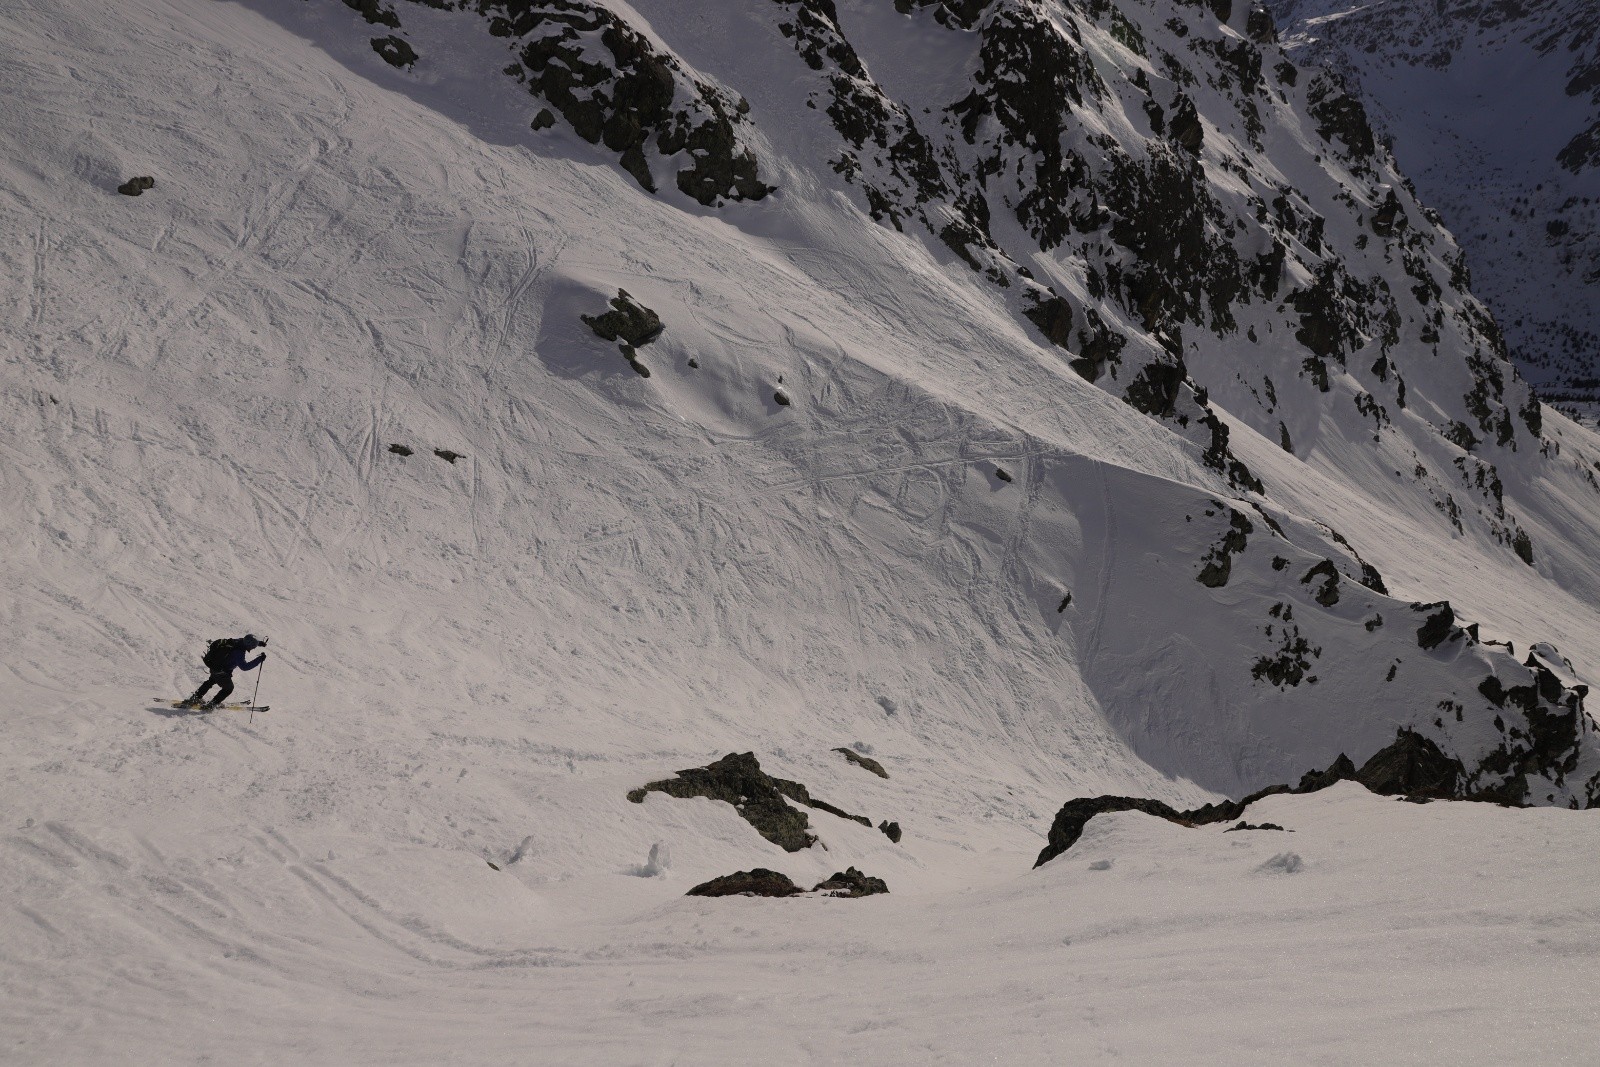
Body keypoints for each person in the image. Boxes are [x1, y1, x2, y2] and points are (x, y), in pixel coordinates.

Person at [181, 634, 267, 708]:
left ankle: (194, 699)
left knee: (211, 681)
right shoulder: (239, 652)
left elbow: (248, 641)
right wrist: (259, 659)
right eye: (254, 646)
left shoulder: (238, 641)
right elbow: (244, 667)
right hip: (222, 672)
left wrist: (259, 643)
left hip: (214, 666)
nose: (254, 647)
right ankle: (212, 705)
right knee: (228, 688)